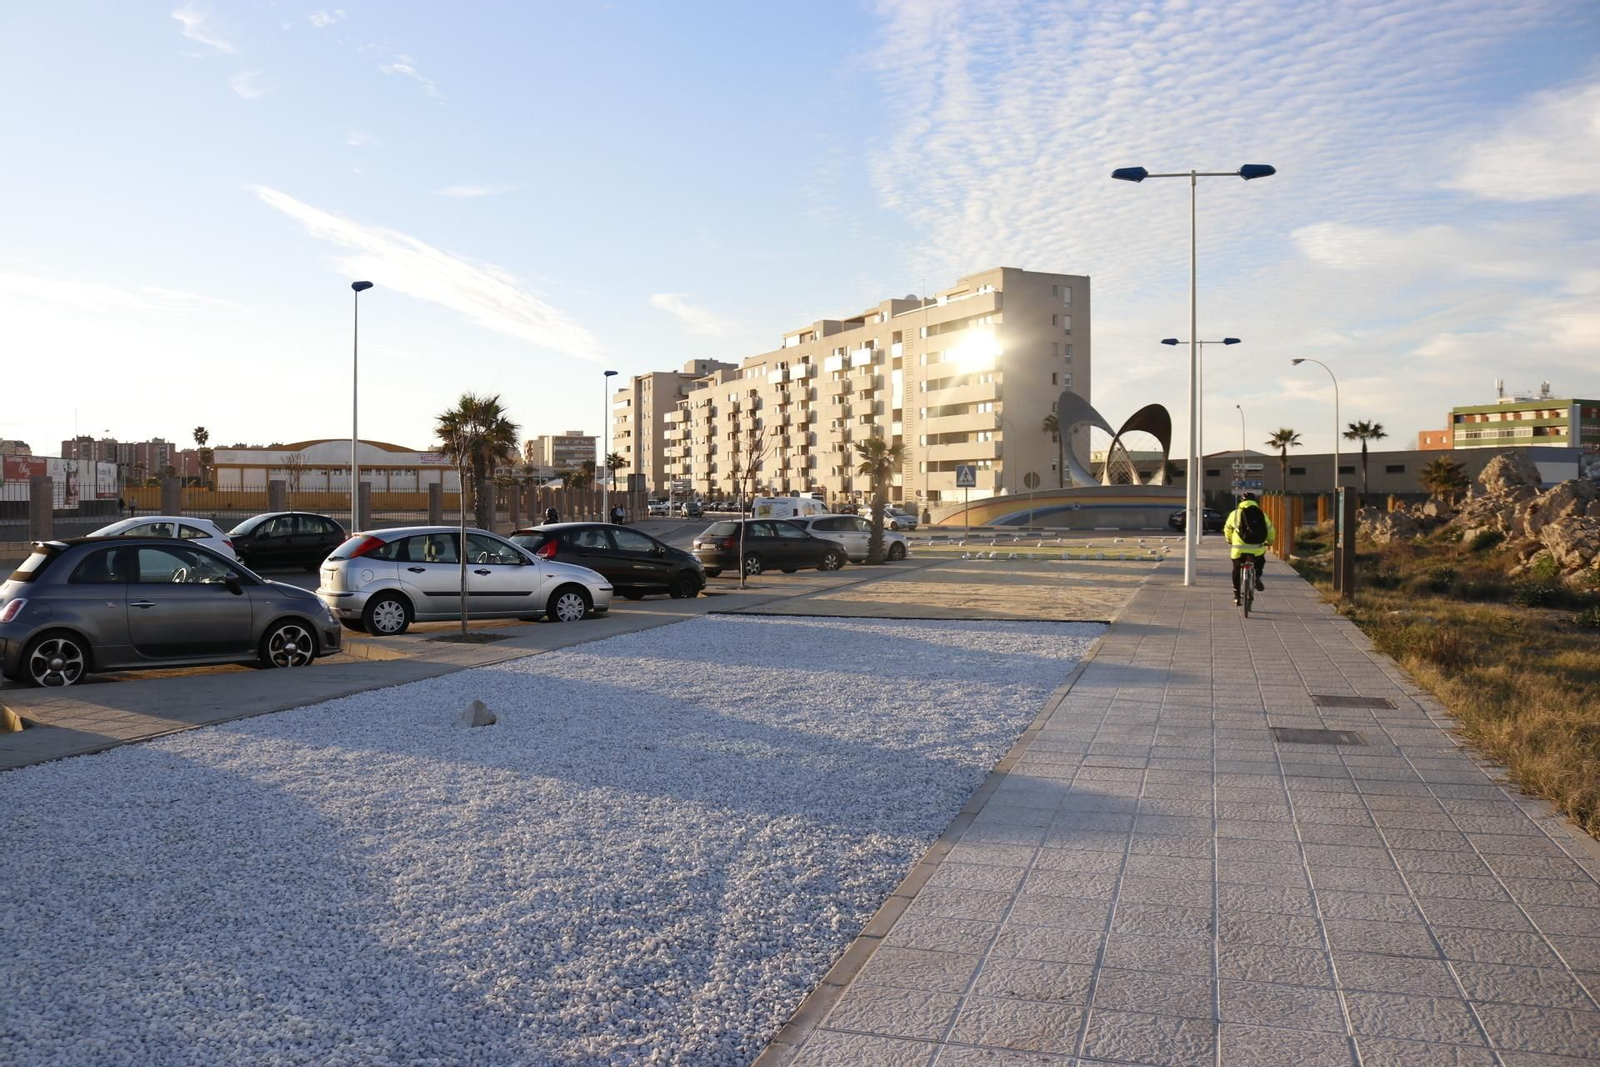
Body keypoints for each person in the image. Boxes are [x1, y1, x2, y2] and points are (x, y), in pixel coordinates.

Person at [1222, 494, 1273, 605]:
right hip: (1257, 549)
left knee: (1236, 569)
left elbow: (1227, 529)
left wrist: (1229, 540)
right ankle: (1257, 577)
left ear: (1241, 501)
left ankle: (1236, 596)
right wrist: (1270, 542)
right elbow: (1270, 529)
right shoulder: (1261, 514)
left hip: (1238, 549)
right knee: (1260, 561)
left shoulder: (1235, 514)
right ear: (1254, 501)